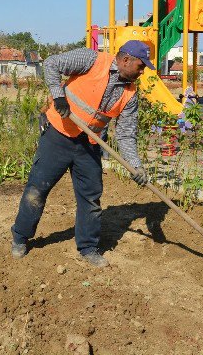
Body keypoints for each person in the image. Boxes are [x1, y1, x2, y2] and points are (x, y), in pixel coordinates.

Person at [11, 40, 153, 268]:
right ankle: (20, 237)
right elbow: (51, 64)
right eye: (140, 66)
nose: (142, 71)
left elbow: (126, 135)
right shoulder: (92, 60)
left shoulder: (130, 94)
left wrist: (135, 165)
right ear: (126, 60)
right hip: (58, 135)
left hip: (88, 144)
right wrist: (58, 96)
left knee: (91, 198)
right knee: (37, 190)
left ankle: (88, 247)